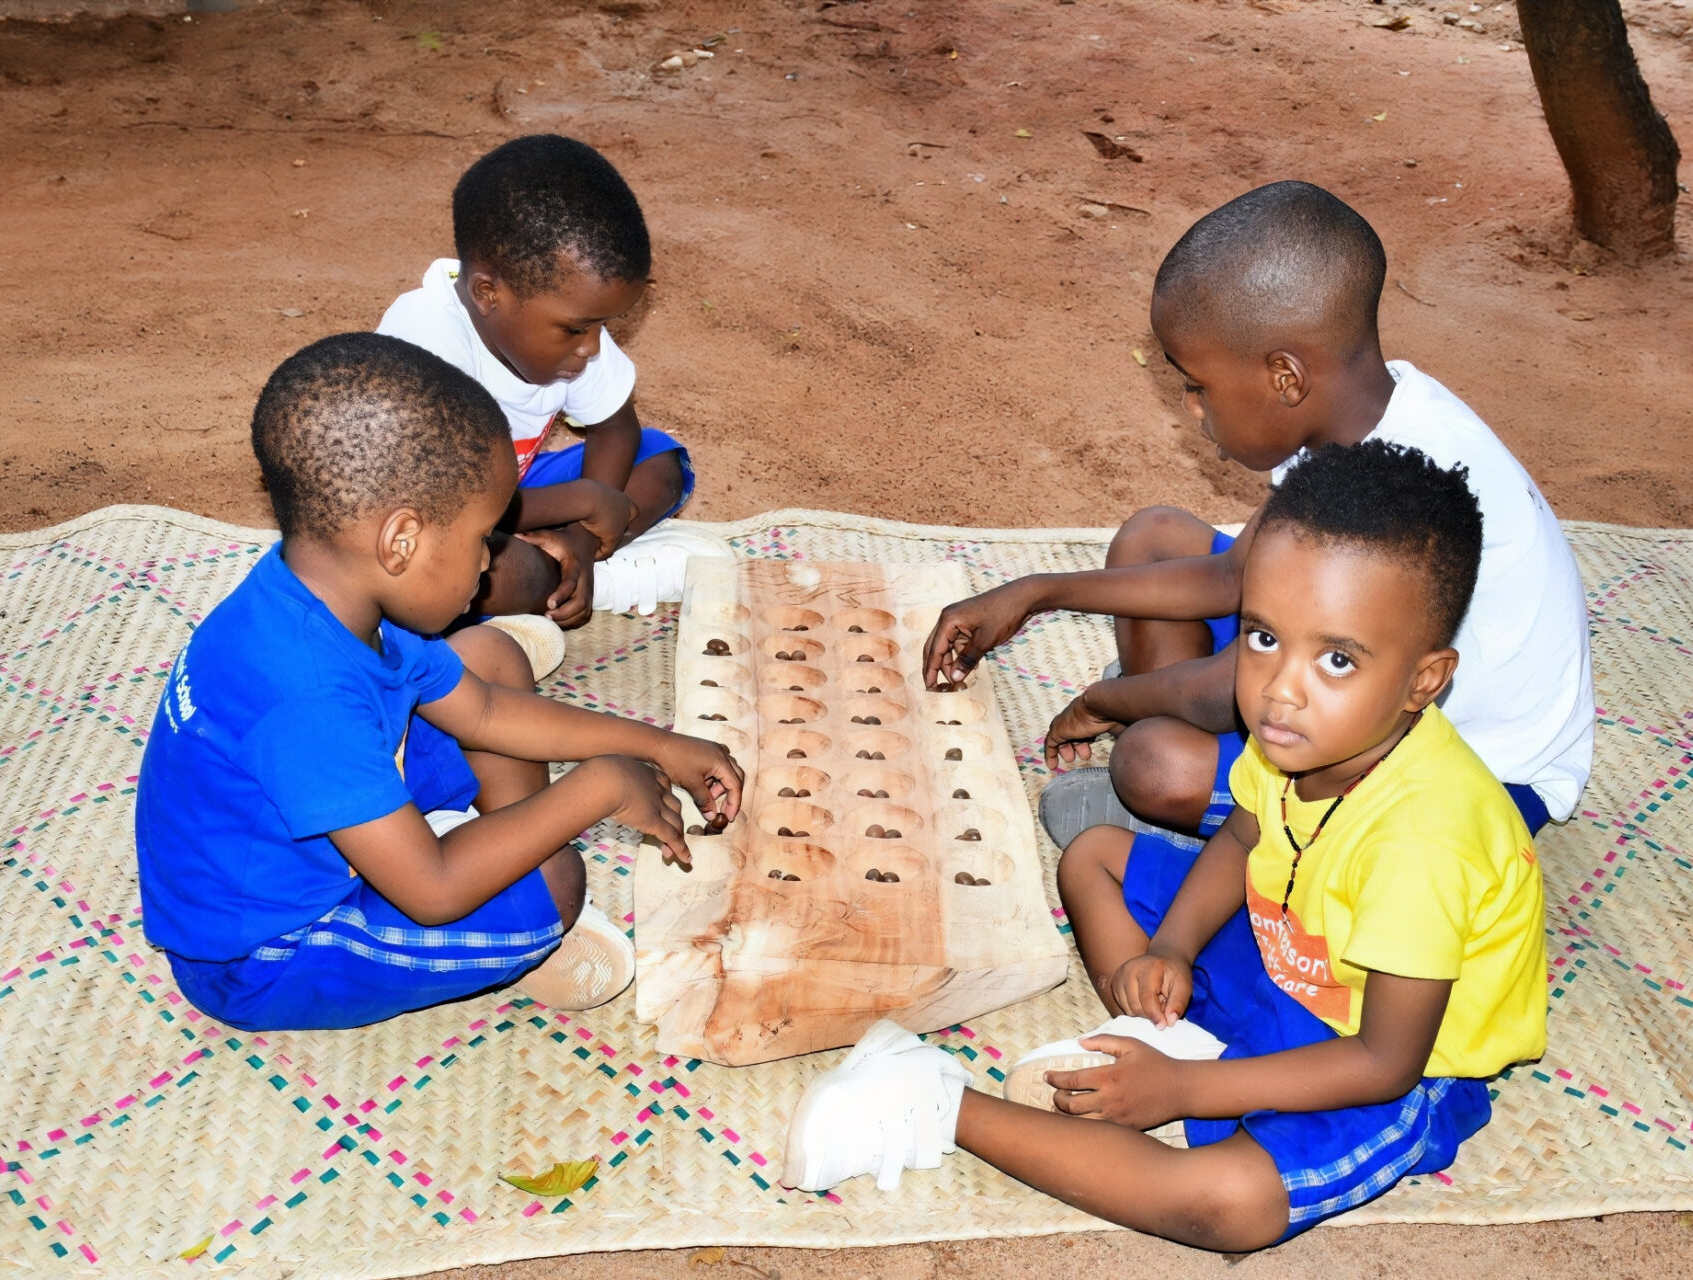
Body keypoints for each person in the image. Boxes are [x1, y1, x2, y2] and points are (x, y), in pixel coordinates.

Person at [784, 441, 1546, 1251]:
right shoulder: (1307, 734)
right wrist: (1175, 946)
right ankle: (1175, 1029)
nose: (1281, 688)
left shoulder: (1425, 840)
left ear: (1425, 682)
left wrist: (1185, 1087)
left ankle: (934, 1101)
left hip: (1387, 1046)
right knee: (1094, 858)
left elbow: (1385, 1063)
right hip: (1296, 948)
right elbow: (1248, 831)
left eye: (1336, 658)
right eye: (1261, 637)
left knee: (1230, 1208)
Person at [921, 181, 1592, 847]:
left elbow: (1227, 685)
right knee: (1152, 537)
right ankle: (1194, 756)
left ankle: (1210, 831)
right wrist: (1036, 593)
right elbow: (1230, 579)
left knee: (1152, 764)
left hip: (1470, 780)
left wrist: (1105, 704)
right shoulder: (1359, 413)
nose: (1191, 405)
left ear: (1285, 379)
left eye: (1198, 385)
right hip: (1342, 680)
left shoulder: (1391, 487)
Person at [134, 333, 743, 1032]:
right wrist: (599, 786)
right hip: (268, 951)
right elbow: (432, 890)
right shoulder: (303, 699)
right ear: (400, 542)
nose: (490, 564)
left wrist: (661, 747)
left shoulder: (329, 592)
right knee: (557, 883)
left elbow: (482, 710)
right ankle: (521, 916)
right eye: (483, 537)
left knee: (489, 657)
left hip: (321, 818)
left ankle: (498, 845)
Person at [378, 133, 724, 630]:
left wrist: (584, 536)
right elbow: (437, 507)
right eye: (577, 329)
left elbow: (615, 428)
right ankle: (559, 581)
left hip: (515, 498)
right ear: (487, 294)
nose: (591, 347)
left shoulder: (570, 333)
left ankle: (578, 567)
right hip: (425, 515)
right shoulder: (425, 340)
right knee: (486, 572)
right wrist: (584, 500)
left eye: (602, 326)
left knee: (661, 460)